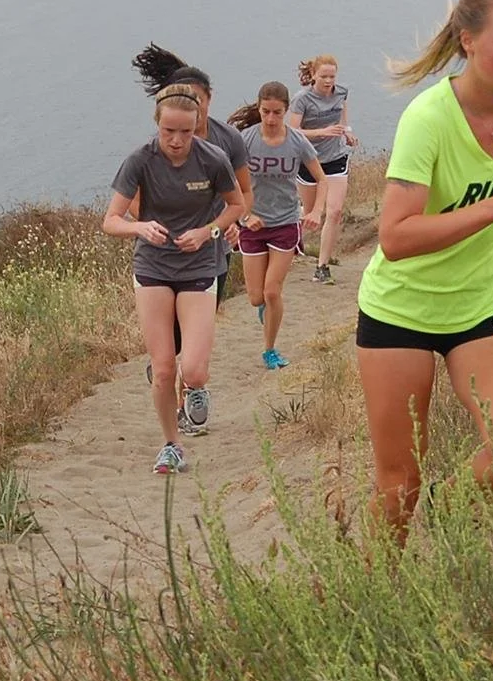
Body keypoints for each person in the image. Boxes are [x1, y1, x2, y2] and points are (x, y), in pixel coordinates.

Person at [355, 0, 493, 544]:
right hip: (400, 312)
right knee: (399, 484)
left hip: (480, 306)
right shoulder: (429, 119)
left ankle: (447, 517)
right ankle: (373, 602)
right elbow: (395, 237)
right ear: (468, 41)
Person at [103, 84, 247, 474]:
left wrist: (208, 232)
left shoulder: (212, 158)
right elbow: (111, 220)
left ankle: (197, 390)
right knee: (164, 367)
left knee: (194, 369)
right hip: (153, 267)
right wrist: (140, 228)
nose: (177, 140)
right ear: (157, 125)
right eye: (169, 131)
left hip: (199, 266)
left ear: (197, 124)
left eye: (185, 131)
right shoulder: (140, 161)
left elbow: (237, 205)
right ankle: (171, 444)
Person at [131, 44, 253, 433]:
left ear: (207, 101)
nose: (191, 113)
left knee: (194, 348)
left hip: (211, 251)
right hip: (162, 257)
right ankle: (171, 380)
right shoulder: (155, 149)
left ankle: (189, 393)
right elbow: (134, 204)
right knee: (171, 346)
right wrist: (155, 224)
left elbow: (243, 195)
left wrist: (225, 224)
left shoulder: (227, 142)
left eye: (198, 102)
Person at [229, 82, 327, 369]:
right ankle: (267, 311)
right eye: (265, 112)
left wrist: (316, 211)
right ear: (258, 109)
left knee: (273, 291)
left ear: (286, 111)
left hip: (285, 222)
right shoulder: (245, 140)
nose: (271, 119)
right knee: (255, 297)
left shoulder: (296, 141)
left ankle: (269, 350)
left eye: (277, 113)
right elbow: (229, 183)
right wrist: (244, 217)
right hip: (253, 225)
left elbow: (321, 179)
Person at [289, 55, 356, 285]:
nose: (329, 81)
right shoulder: (302, 99)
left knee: (335, 211)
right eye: (324, 76)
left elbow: (343, 116)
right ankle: (294, 225)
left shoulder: (342, 91)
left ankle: (322, 266)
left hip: (336, 158)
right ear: (314, 75)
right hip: (308, 160)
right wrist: (321, 132)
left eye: (332, 76)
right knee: (310, 214)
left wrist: (347, 133)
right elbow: (293, 131)